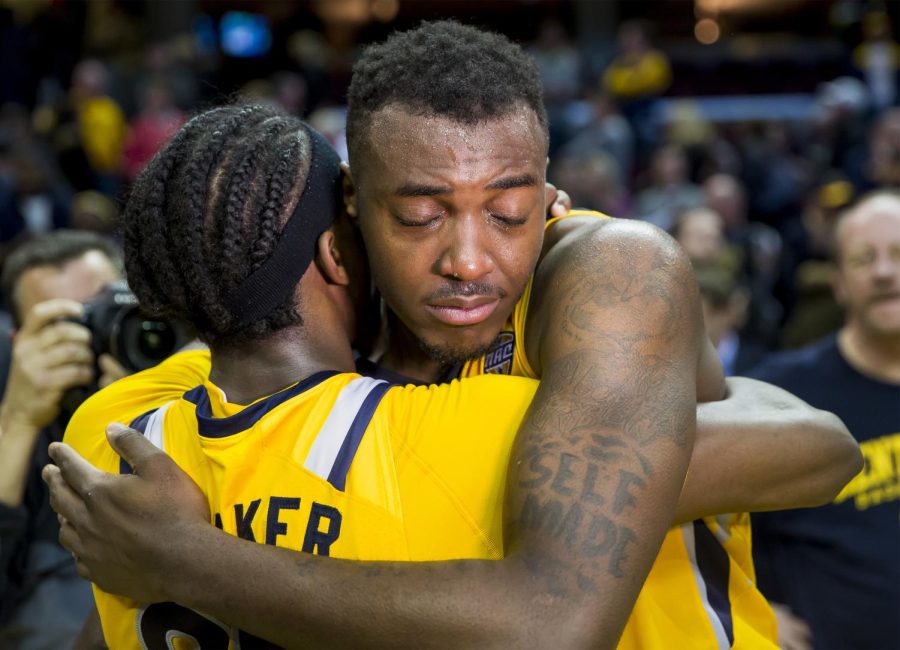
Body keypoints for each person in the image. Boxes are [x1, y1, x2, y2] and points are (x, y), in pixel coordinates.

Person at [47, 21, 859, 648]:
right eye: (420, 216)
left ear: (550, 199)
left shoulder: (607, 270)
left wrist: (180, 559)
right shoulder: (321, 367)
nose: (469, 261)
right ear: (353, 215)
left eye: (507, 213)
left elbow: (820, 449)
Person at [748, 191, 900, 650]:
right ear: (838, 283)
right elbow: (702, 524)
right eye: (863, 259)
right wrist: (753, 611)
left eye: (898, 254)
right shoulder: (780, 398)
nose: (884, 272)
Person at [0, 230, 126, 648]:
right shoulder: (15, 419)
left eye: (104, 312)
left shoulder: (186, 385)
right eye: (66, 324)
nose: (90, 337)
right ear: (18, 342)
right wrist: (18, 420)